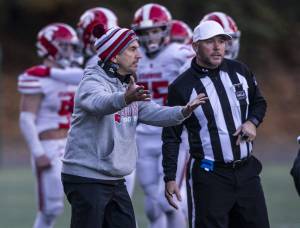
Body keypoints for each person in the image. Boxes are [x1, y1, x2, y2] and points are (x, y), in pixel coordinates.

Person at [61, 25, 208, 228]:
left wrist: (183, 111)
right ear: (113, 57)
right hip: (86, 177)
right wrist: (124, 98)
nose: (139, 55)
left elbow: (153, 112)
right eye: (132, 49)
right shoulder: (92, 81)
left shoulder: (126, 85)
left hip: (113, 178)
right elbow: (99, 103)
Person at [162, 20, 270, 228]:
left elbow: (259, 102)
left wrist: (252, 121)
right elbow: (171, 135)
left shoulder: (240, 70)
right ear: (195, 46)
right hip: (210, 175)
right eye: (210, 42)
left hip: (246, 172)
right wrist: (170, 177)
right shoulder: (181, 86)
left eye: (221, 41)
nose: (217, 46)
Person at [131, 3, 193, 228]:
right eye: (145, 33)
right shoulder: (133, 56)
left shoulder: (180, 54)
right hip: (143, 135)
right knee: (152, 204)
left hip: (174, 133)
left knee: (167, 199)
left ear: (166, 30)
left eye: (155, 30)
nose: (150, 37)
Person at [18, 23, 79, 228]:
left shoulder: (72, 74)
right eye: (64, 46)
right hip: (50, 146)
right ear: (49, 47)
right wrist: (37, 152)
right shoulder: (36, 78)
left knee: (89, 201)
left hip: (75, 145)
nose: (69, 51)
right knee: (51, 209)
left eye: (71, 46)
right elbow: (26, 118)